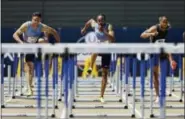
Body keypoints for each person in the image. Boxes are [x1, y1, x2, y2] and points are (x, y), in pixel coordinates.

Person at [13, 12, 60, 96]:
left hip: (36, 44)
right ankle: (30, 89)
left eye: (37, 21)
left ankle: (46, 56)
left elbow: (54, 31)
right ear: (32, 19)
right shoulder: (26, 25)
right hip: (27, 46)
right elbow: (15, 34)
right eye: (34, 20)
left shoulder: (42, 26)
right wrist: (21, 42)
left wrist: (58, 43)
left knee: (42, 41)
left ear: (40, 21)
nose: (35, 22)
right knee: (30, 68)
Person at [140, 16, 177, 103]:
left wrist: (171, 59)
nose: (165, 23)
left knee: (168, 50)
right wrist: (151, 34)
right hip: (153, 51)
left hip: (162, 48)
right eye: (163, 22)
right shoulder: (155, 28)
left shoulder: (167, 28)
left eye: (166, 22)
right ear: (160, 22)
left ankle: (171, 61)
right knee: (155, 75)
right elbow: (142, 35)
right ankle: (157, 96)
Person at [81, 14, 115, 103]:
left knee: (104, 74)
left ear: (105, 20)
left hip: (107, 50)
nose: (100, 22)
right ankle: (91, 67)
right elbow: (90, 21)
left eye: (102, 20)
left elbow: (113, 39)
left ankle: (101, 96)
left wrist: (104, 32)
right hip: (98, 48)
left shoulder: (109, 26)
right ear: (97, 21)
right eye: (99, 20)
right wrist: (84, 28)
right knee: (95, 47)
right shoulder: (95, 24)